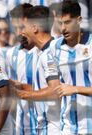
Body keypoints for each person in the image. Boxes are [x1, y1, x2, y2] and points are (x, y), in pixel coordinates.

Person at [14, 6, 61, 134]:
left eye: (24, 27)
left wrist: (22, 95)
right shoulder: (39, 53)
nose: (22, 32)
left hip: (54, 127)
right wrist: (16, 86)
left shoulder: (50, 53)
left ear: (34, 28)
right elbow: (43, 87)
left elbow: (56, 91)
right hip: (44, 126)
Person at [50, 1, 92, 134]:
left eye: (67, 22)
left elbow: (70, 89)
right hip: (67, 127)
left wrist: (75, 89)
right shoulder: (55, 47)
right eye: (60, 23)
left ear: (79, 20)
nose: (63, 28)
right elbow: (55, 86)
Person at [6, 3, 38, 135]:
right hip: (22, 127)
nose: (19, 33)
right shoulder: (11, 54)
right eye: (15, 28)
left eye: (22, 27)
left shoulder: (49, 51)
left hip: (50, 125)